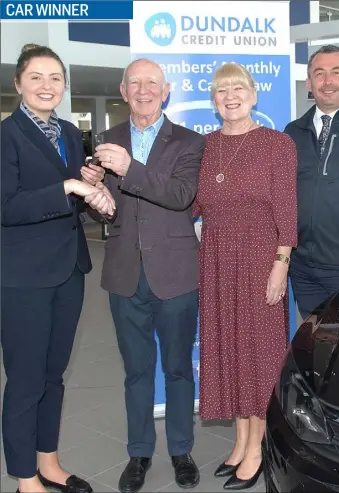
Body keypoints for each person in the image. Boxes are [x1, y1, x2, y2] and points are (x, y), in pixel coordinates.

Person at [1, 44, 115, 493]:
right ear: (18, 84)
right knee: (26, 380)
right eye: (36, 77)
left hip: (69, 269)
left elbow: (70, 195)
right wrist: (67, 185)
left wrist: (93, 189)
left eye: (55, 78)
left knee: (54, 374)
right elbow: (7, 205)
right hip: (23, 277)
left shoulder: (69, 131)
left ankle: (48, 461)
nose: (46, 86)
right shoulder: (6, 136)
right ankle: (24, 478)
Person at [91, 58, 205, 493]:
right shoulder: (108, 138)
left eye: (151, 83)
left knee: (178, 370)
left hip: (175, 275)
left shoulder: (190, 142)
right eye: (134, 82)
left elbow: (180, 196)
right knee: (137, 372)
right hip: (124, 274)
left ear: (166, 90)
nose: (143, 89)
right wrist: (94, 192)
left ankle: (181, 450)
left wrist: (127, 169)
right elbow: (111, 207)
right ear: (123, 90)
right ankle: (139, 452)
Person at [194, 63, 297, 490]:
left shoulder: (277, 144)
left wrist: (280, 263)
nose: (230, 96)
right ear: (214, 100)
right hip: (216, 262)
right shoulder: (205, 146)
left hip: (260, 262)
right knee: (229, 350)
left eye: (238, 88)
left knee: (258, 354)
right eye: (222, 91)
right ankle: (238, 442)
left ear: (254, 95)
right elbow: (190, 204)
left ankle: (258, 448)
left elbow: (287, 211)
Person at [285, 45, 339, 320]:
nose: (328, 81)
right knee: (314, 351)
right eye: (320, 73)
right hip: (303, 270)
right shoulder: (292, 132)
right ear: (309, 84)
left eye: (336, 73)